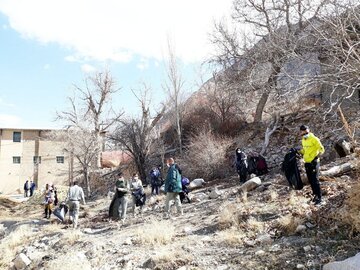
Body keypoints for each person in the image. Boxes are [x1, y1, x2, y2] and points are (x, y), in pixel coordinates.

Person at [298, 125, 325, 205]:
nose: (305, 132)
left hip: (314, 162)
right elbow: (305, 150)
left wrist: (316, 158)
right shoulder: (303, 140)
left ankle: (320, 198)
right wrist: (298, 152)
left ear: (308, 130)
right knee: (310, 180)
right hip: (307, 162)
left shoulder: (314, 139)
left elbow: (322, 149)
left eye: (306, 131)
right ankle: (315, 196)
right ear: (301, 132)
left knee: (315, 180)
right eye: (303, 131)